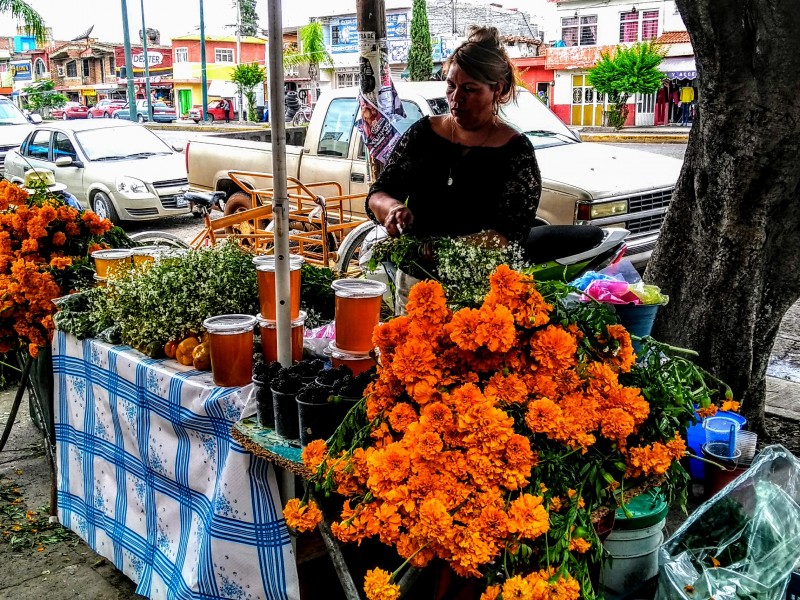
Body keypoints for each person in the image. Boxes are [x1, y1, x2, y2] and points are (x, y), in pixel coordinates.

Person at [366, 25, 541, 246]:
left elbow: (512, 232)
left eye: (469, 89)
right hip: (414, 273)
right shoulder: (423, 134)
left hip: (483, 277)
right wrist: (393, 209)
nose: (456, 98)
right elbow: (379, 193)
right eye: (451, 86)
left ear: (497, 90)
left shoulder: (516, 151)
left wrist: (448, 249)